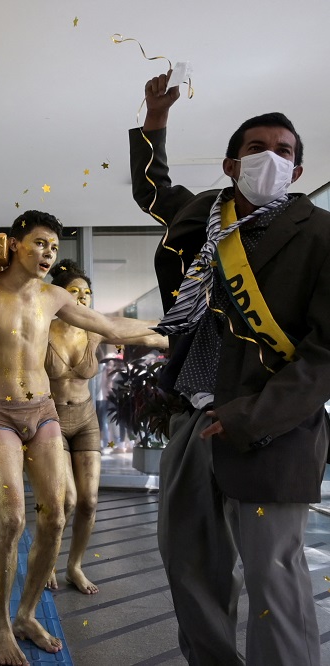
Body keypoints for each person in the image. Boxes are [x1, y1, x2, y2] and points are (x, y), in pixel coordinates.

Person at [131, 73, 330, 665]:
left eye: (284, 152)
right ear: (230, 163)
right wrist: (155, 117)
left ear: (297, 173)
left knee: (275, 579)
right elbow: (151, 190)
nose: (270, 158)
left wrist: (254, 417)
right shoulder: (201, 215)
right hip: (193, 416)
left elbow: (326, 353)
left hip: (274, 427)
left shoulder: (320, 234)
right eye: (256, 148)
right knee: (189, 568)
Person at [0, 210, 157, 666]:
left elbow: (110, 326)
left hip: (42, 411)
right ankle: (1, 624)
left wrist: (166, 338)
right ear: (17, 244)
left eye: (54, 248)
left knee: (55, 518)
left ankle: (25, 614)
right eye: (40, 243)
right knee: (12, 521)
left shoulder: (53, 296)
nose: (47, 253)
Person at [44, 259, 166, 595]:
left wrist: (176, 335)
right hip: (50, 420)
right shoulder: (41, 327)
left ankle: (75, 566)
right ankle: (48, 563)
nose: (83, 298)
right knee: (65, 501)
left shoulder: (94, 330)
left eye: (87, 293)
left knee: (89, 502)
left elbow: (135, 329)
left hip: (85, 420)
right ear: (58, 295)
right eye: (74, 292)